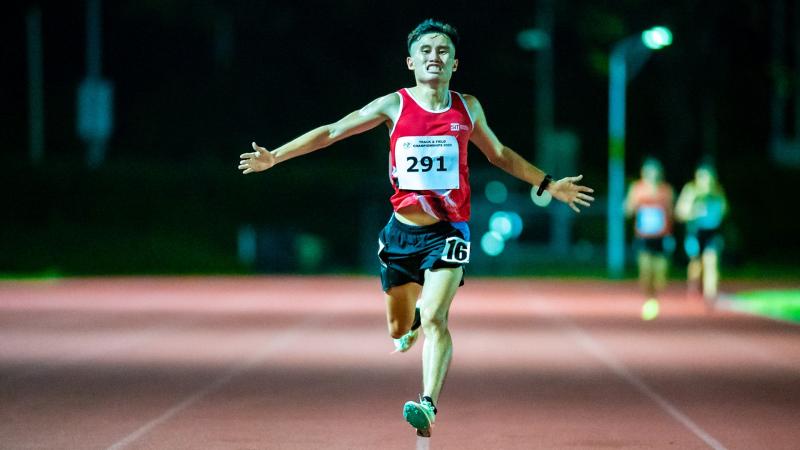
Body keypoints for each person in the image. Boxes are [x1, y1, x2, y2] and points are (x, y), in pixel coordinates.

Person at [237, 19, 594, 437]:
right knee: (399, 327)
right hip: (401, 234)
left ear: (454, 63)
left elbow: (498, 154)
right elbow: (333, 131)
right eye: (425, 50)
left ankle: (427, 405)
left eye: (443, 51)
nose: (434, 57)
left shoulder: (467, 108)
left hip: (449, 233)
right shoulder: (394, 105)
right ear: (411, 62)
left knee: (436, 318)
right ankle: (410, 323)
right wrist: (275, 156)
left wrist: (548, 183)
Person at [624, 157, 675, 316]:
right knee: (645, 271)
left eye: (655, 172)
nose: (652, 175)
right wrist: (630, 207)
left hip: (662, 237)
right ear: (643, 173)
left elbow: (672, 213)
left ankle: (655, 295)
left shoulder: (666, 190)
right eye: (649, 172)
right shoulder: (637, 189)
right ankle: (649, 299)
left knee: (661, 274)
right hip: (643, 236)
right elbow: (628, 209)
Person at [675, 161, 728, 306]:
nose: (706, 182)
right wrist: (693, 210)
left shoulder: (718, 192)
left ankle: (710, 294)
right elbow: (680, 213)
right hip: (695, 232)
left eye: (709, 179)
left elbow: (724, 211)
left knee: (712, 261)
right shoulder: (691, 191)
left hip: (712, 232)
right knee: (696, 263)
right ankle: (693, 287)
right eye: (703, 178)